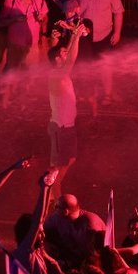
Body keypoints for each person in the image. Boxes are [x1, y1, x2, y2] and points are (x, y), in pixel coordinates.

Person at [46, 20, 85, 196]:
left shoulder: (60, 71)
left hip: (68, 127)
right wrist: (76, 36)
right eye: (63, 52)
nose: (66, 53)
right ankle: (55, 201)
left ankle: (54, 186)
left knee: (71, 159)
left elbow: (69, 55)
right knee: (57, 171)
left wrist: (74, 35)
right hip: (60, 129)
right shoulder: (56, 75)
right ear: (57, 58)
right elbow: (70, 60)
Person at [0, 0, 48, 71]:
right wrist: (15, 19)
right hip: (15, 45)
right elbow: (1, 23)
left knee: (30, 75)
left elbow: (45, 19)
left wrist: (42, 20)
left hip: (32, 45)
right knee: (12, 74)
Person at [44, 194, 106, 270]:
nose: (54, 208)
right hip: (71, 260)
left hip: (90, 264)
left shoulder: (91, 224)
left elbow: (93, 255)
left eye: (57, 206)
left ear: (66, 211)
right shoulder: (57, 218)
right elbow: (43, 231)